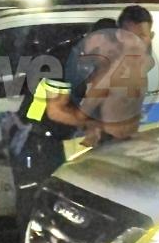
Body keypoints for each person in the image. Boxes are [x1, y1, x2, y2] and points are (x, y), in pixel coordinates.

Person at [10, 18, 113, 231]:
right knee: (35, 203)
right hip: (36, 141)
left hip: (52, 139)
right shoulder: (66, 60)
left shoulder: (85, 57)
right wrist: (91, 124)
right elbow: (55, 111)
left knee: (56, 203)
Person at [79, 5, 155, 145]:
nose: (135, 43)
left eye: (141, 36)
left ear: (151, 37)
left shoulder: (142, 63)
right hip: (108, 144)